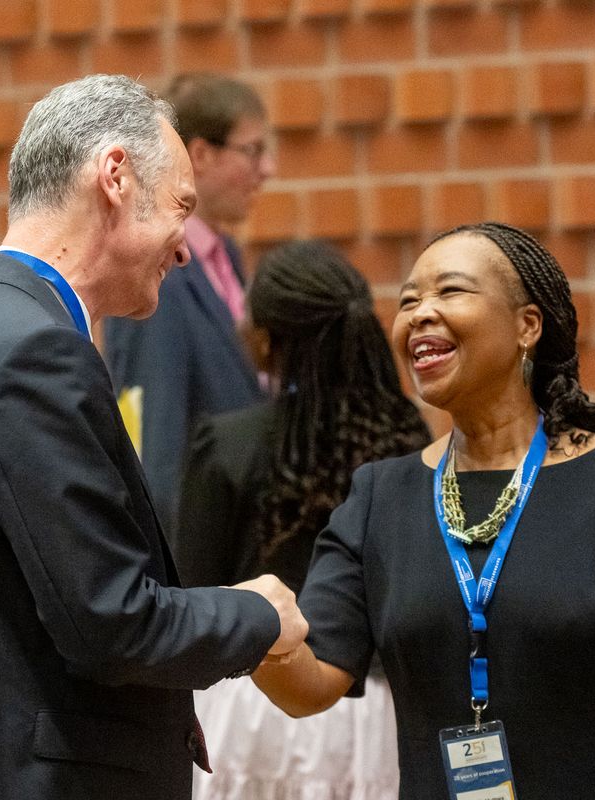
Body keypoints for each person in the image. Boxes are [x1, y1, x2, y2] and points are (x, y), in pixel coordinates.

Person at [0, 74, 307, 800]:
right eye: (180, 207)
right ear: (114, 176)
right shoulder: (34, 351)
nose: (182, 249)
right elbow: (110, 621)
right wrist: (257, 612)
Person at [252, 222, 595, 800]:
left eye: (450, 291)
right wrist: (260, 629)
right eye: (408, 301)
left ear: (527, 325)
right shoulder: (382, 496)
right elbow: (312, 686)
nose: (420, 314)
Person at [174, 241, 431, 799]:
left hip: (248, 710)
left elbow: (192, 591)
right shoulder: (405, 438)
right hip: (371, 711)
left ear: (265, 340)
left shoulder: (226, 444)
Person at [104, 73, 274, 531]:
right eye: (253, 150)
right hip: (197, 546)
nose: (268, 168)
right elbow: (157, 440)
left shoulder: (228, 257)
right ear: (201, 154)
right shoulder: (156, 270)